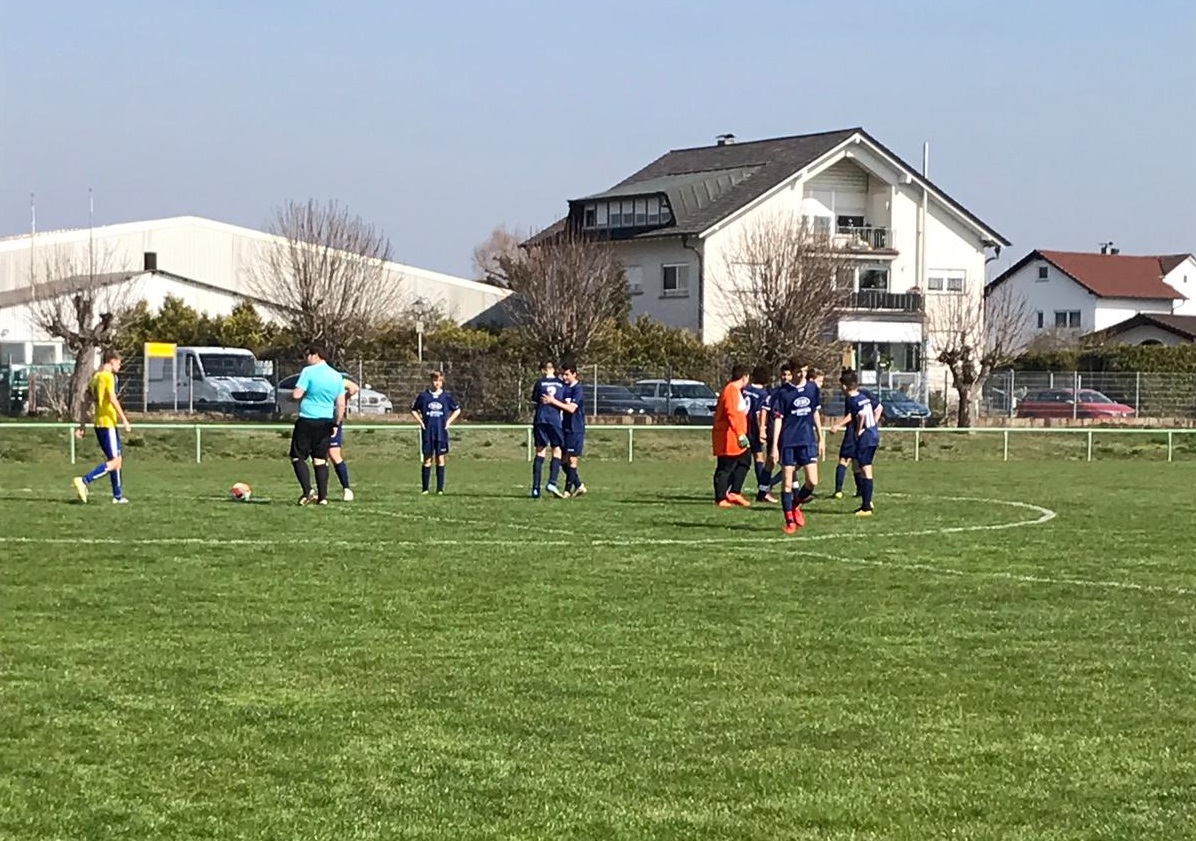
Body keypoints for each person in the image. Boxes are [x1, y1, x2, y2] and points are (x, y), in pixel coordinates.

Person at [769, 361, 824, 533]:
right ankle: (790, 522)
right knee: (787, 483)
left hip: (807, 440)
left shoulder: (812, 388)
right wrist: (774, 446)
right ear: (792, 372)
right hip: (789, 442)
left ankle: (796, 504)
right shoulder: (783, 392)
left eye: (805, 371)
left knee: (812, 481)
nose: (802, 374)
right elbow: (778, 419)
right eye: (799, 371)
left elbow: (815, 412)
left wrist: (821, 437)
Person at [289, 346, 347, 506]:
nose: (306, 359)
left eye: (307, 355)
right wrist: (336, 423)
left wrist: (290, 398)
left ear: (315, 355)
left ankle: (308, 491)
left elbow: (296, 394)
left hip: (307, 419)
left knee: (297, 456)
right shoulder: (337, 376)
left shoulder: (308, 372)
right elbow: (341, 404)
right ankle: (323, 498)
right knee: (320, 458)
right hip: (326, 421)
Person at [72, 351, 132, 504]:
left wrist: (82, 424)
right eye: (119, 363)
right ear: (112, 361)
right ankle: (84, 480)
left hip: (100, 423)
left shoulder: (96, 377)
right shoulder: (107, 376)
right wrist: (124, 419)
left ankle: (118, 496)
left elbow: (85, 401)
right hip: (107, 423)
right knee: (115, 461)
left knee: (116, 459)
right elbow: (112, 398)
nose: (119, 366)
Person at [831, 369, 883, 500]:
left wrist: (859, 429)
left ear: (845, 385)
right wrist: (872, 425)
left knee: (850, 462)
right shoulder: (863, 395)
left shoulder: (852, 399)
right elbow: (878, 408)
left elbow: (859, 414)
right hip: (872, 434)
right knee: (859, 464)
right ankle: (863, 496)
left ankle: (861, 499)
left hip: (858, 433)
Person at [410, 371, 462, 495]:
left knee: (440, 458)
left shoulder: (446, 397)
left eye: (439, 380)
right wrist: (421, 422)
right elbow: (413, 410)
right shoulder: (424, 396)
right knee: (427, 459)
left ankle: (440, 489)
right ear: (430, 381)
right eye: (434, 380)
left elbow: (457, 410)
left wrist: (448, 422)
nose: (436, 383)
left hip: (441, 432)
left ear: (442, 381)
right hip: (428, 432)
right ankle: (425, 489)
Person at [712, 364, 753, 508]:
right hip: (728, 435)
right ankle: (721, 498)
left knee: (745, 461)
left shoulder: (736, 391)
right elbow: (732, 414)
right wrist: (740, 434)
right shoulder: (731, 391)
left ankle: (735, 492)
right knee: (725, 467)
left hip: (736, 435)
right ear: (745, 377)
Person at [529, 360, 566, 498]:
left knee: (540, 451)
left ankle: (535, 488)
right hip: (554, 420)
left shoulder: (539, 383)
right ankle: (552, 482)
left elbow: (534, 401)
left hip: (541, 419)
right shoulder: (561, 384)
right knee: (557, 449)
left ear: (544, 370)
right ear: (553, 369)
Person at [328, 376, 361, 501]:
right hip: (318, 416)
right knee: (319, 455)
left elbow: (354, 388)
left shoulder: (336, 379)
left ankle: (346, 488)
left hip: (332, 418)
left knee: (334, 454)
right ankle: (321, 492)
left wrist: (343, 399)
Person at [557, 363, 587, 497]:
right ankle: (579, 485)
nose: (564, 377)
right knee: (562, 460)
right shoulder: (564, 388)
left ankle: (567, 490)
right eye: (563, 374)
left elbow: (571, 408)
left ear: (574, 374)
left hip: (575, 428)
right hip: (564, 428)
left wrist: (553, 401)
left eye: (567, 374)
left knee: (572, 460)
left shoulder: (577, 389)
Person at [744, 365, 773, 503]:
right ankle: (763, 489)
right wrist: (762, 429)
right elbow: (760, 413)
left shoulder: (745, 389)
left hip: (742, 426)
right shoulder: (763, 394)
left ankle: (730, 488)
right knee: (759, 457)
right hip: (754, 428)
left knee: (739, 458)